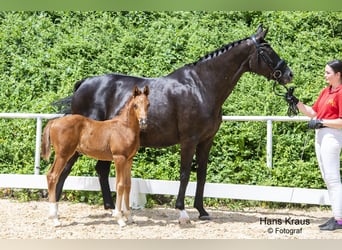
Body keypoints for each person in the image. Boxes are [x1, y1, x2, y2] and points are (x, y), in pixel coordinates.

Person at [285, 59, 342, 231]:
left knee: (333, 178)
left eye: (328, 73)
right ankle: (337, 215)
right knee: (327, 177)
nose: (325, 75)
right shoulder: (326, 92)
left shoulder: (341, 93)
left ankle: (339, 219)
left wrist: (322, 122)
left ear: (338, 74)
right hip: (322, 134)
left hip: (332, 135)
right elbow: (313, 113)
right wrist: (295, 102)